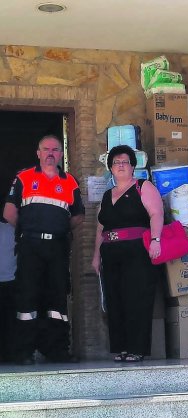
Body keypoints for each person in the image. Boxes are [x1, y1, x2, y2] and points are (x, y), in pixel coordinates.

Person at [3, 135, 85, 365]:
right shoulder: (24, 178)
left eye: (55, 149)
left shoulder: (70, 181)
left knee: (57, 299)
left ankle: (57, 351)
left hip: (57, 247)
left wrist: (56, 230)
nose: (50, 153)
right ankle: (23, 352)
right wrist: (31, 230)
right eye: (45, 149)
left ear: (61, 154)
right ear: (38, 153)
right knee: (27, 298)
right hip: (30, 247)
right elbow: (9, 213)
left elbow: (78, 215)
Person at [91, 145, 163, 362]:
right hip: (111, 252)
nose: (120, 165)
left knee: (136, 298)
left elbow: (156, 213)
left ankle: (136, 348)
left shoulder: (143, 186)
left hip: (137, 251)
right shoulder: (106, 196)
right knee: (115, 300)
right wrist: (96, 256)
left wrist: (155, 240)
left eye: (125, 162)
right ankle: (121, 348)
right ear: (110, 168)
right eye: (116, 162)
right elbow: (100, 228)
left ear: (133, 166)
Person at [0, 201, 17, 363]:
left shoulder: (13, 230)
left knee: (9, 322)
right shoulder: (13, 230)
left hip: (11, 282)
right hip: (11, 281)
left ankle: (10, 353)